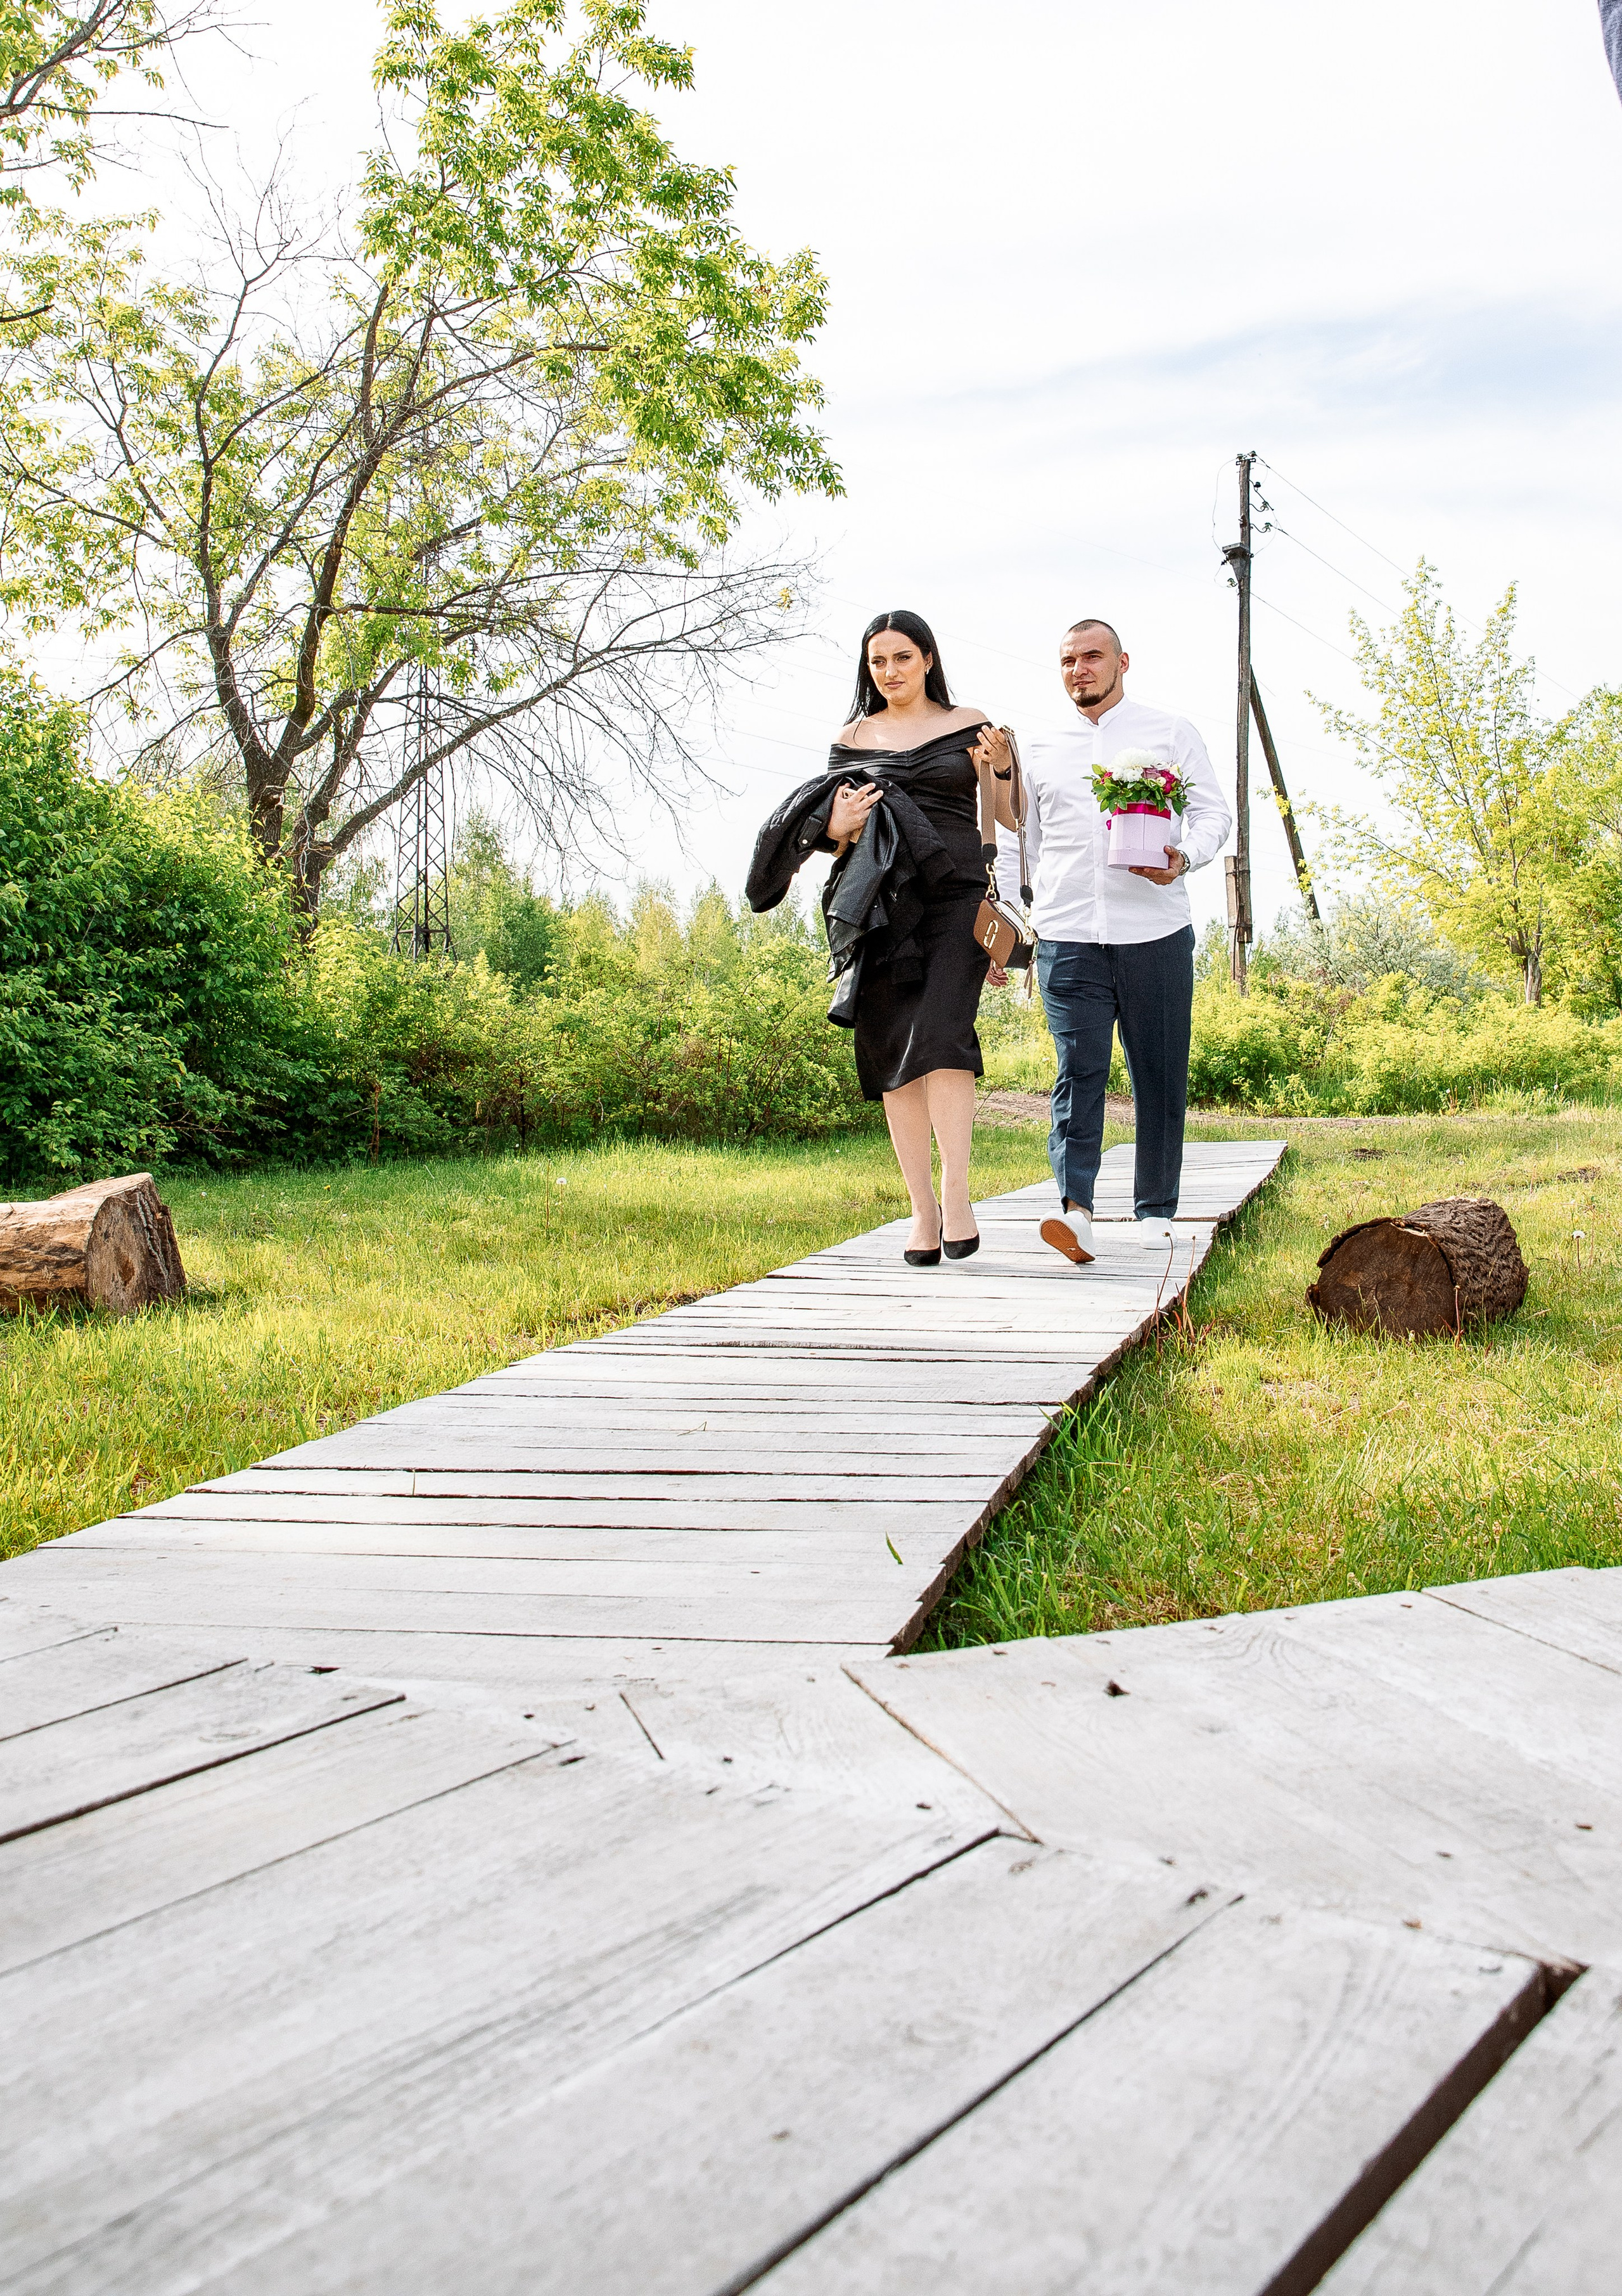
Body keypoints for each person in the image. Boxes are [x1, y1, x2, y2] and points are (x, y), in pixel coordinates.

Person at [746, 610, 1018, 1264]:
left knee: (944, 1038)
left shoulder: (970, 723)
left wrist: (1003, 767)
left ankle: (957, 1194)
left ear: (927, 658)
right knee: (895, 1052)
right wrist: (835, 822)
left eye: (901, 657)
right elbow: (835, 834)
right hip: (881, 905)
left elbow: (1007, 817)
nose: (889, 671)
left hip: (955, 896)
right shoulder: (852, 736)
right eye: (877, 662)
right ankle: (920, 1211)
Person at [980, 619, 1232, 1265]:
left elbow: (1212, 814)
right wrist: (999, 924)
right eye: (1067, 660)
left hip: (1155, 933)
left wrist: (1184, 856)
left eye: (1091, 657)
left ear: (1123, 661)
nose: (1079, 669)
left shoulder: (1170, 732)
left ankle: (1155, 1211)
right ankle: (1077, 1212)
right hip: (1067, 937)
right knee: (1077, 1074)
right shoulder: (1035, 746)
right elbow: (1015, 841)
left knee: (1159, 1076)